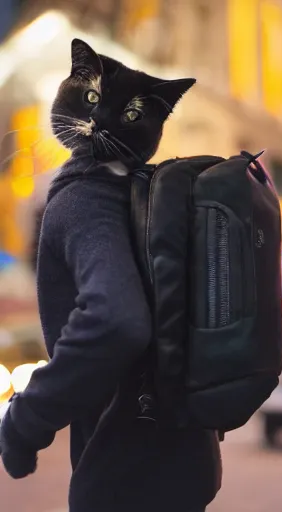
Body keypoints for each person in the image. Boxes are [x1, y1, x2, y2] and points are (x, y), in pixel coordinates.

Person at [0, 39, 220, 512]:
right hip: (188, 459)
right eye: (93, 100)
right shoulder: (152, 200)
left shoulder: (85, 198)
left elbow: (116, 320)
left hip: (125, 472)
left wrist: (24, 422)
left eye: (130, 115)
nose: (99, 119)